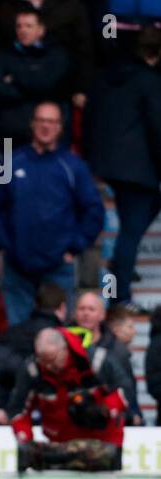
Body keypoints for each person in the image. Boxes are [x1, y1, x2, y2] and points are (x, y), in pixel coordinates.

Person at [0, 103, 105, 325]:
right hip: (17, 265)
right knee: (19, 335)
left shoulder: (73, 166)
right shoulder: (11, 162)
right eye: (41, 120)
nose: (46, 126)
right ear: (32, 124)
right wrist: (3, 243)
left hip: (58, 266)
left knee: (57, 336)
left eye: (52, 122)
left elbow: (94, 210)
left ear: (60, 127)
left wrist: (74, 246)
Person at [85, 26, 161, 311]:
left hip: (107, 164)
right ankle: (120, 295)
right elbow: (157, 127)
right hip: (138, 170)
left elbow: (90, 116)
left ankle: (121, 266)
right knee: (130, 231)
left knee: (134, 225)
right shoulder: (150, 80)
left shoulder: (105, 77)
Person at [8, 328, 128, 471]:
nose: (48, 366)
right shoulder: (32, 370)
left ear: (65, 349)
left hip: (102, 445)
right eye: (43, 361)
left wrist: (105, 410)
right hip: (60, 445)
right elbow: (18, 410)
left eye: (52, 359)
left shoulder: (98, 361)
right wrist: (24, 439)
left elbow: (124, 391)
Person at [0, 7, 72, 143]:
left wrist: (13, 78)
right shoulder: (2, 55)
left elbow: (46, 84)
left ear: (41, 30)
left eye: (29, 26)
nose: (23, 30)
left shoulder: (57, 55)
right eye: (19, 26)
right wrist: (35, 88)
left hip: (47, 136)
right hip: (9, 133)